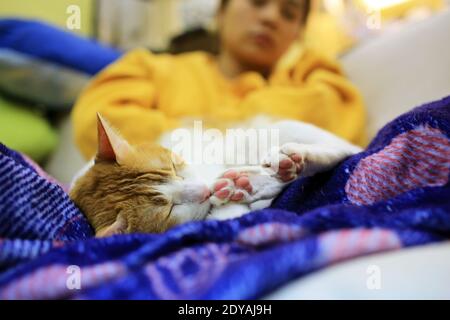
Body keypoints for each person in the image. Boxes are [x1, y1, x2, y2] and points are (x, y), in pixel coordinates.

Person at [72, 0, 367, 160]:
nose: (271, 18)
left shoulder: (308, 76)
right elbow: (96, 124)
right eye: (257, 1)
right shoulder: (150, 67)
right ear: (221, 12)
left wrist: (184, 134)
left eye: (288, 14)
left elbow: (337, 125)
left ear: (296, 35)